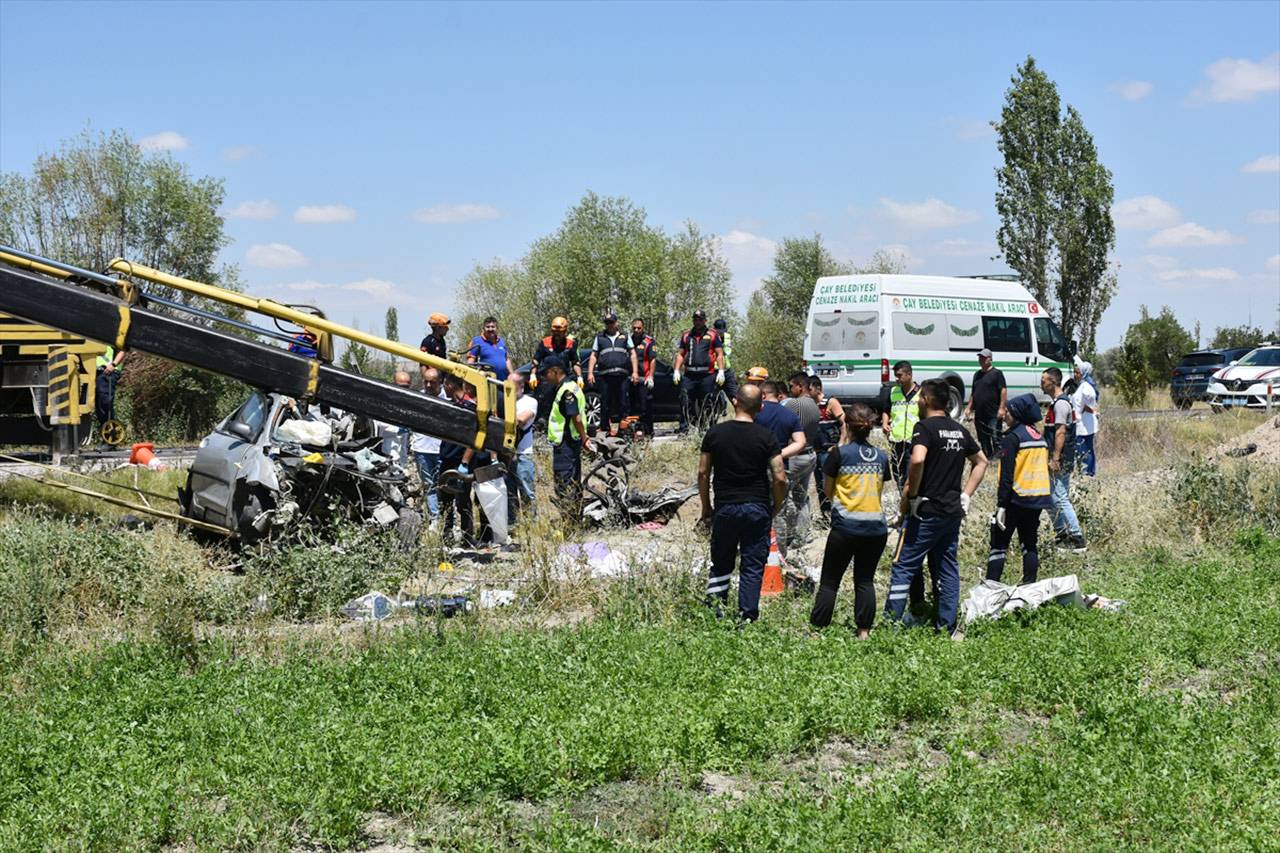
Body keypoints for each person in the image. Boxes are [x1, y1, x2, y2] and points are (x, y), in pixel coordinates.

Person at [885, 379, 988, 636]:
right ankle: (946, 625)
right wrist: (966, 494)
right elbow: (982, 462)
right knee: (947, 566)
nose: (918, 401)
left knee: (904, 565)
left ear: (927, 400)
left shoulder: (924, 427)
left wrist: (913, 496)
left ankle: (891, 625)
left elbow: (917, 460)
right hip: (951, 512)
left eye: (920, 397)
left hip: (926, 510)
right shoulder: (959, 430)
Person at [698, 384, 787, 623]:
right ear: (759, 407)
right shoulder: (766, 437)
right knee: (752, 565)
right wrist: (776, 506)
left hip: (725, 506)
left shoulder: (715, 433)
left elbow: (703, 473)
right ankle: (747, 617)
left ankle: (714, 613)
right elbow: (780, 477)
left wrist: (706, 507)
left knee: (721, 561)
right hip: (757, 507)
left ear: (735, 402)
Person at [809, 403, 891, 638]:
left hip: (846, 526)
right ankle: (864, 631)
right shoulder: (881, 456)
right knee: (865, 580)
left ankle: (818, 628)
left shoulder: (839, 454)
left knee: (830, 581)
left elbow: (827, 487)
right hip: (876, 527)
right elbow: (879, 487)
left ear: (848, 426)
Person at [985, 394, 1053, 585]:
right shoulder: (1038, 436)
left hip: (1016, 499)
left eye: (1007, 411)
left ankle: (990, 589)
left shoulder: (1013, 438)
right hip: (1037, 499)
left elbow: (1007, 476)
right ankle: (1029, 586)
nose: (1004, 415)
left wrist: (1001, 505)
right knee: (1029, 545)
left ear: (1016, 413)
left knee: (998, 545)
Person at [756, 380, 810, 560]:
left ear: (763, 395)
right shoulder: (789, 415)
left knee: (755, 508)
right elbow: (801, 442)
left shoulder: (755, 413)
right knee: (779, 512)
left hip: (754, 468)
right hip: (780, 469)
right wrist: (778, 454)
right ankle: (777, 556)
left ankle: (753, 551)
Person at [439, 372, 488, 547]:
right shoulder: (452, 406)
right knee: (445, 500)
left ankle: (467, 538)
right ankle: (446, 536)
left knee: (463, 501)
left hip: (460, 462)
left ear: (450, 385)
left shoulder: (469, 407)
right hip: (447, 459)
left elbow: (474, 440)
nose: (443, 387)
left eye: (444, 384)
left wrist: (464, 463)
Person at [1042, 367, 1087, 553]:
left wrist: (1055, 458)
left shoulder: (1061, 405)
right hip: (1059, 458)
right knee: (1052, 497)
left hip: (1060, 459)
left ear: (1053, 382)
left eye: (1044, 380)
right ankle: (1062, 535)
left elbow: (1060, 432)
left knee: (1059, 497)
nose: (1041, 383)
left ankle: (1076, 538)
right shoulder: (1057, 403)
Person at [543, 354, 593, 518]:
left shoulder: (566, 391)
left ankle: (569, 519)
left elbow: (576, 418)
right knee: (574, 480)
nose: (545, 377)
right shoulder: (572, 386)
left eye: (546, 373)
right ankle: (576, 517)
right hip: (571, 443)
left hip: (566, 444)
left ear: (555, 371)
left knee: (564, 483)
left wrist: (584, 437)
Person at [673, 309, 725, 431]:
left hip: (707, 375)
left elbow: (719, 353)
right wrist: (676, 370)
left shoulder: (712, 334)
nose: (697, 322)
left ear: (705, 320)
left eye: (700, 319)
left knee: (707, 402)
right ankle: (684, 429)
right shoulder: (686, 335)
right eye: (695, 319)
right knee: (685, 401)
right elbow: (681, 354)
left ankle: (707, 429)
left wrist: (721, 371)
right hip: (689, 375)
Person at [587, 312, 637, 435]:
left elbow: (633, 354)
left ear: (616, 323)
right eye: (607, 323)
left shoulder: (625, 336)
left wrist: (635, 372)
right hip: (605, 376)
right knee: (605, 403)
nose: (609, 325)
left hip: (622, 376)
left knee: (623, 403)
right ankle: (605, 430)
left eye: (611, 322)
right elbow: (593, 356)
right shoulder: (599, 337)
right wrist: (590, 373)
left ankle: (624, 430)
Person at [411, 367, 448, 523]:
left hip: (442, 450)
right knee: (429, 485)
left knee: (445, 486)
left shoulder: (449, 400)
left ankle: (447, 519)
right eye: (425, 382)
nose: (427, 386)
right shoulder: (417, 398)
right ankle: (435, 519)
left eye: (432, 383)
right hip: (422, 449)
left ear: (440, 382)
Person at [881, 360, 921, 489]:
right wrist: (885, 423)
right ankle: (902, 498)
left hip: (913, 441)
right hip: (896, 441)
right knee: (897, 474)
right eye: (896, 376)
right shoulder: (893, 392)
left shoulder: (921, 393)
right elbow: (886, 410)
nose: (897, 379)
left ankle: (909, 501)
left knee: (911, 475)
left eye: (899, 375)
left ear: (909, 374)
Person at [808, 376, 845, 515]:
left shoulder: (831, 402)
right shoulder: (809, 404)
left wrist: (841, 443)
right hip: (815, 450)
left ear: (817, 388)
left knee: (830, 483)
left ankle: (836, 513)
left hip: (829, 451)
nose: (807, 391)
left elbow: (843, 424)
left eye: (809, 389)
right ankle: (825, 514)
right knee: (819, 484)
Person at [506, 372, 539, 525]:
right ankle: (513, 525)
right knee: (509, 494)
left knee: (527, 492)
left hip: (523, 455)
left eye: (511, 387)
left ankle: (531, 525)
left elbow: (520, 419)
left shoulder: (530, 402)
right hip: (506, 455)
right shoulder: (504, 401)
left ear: (521, 387)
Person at [964, 348, 1007, 459]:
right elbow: (974, 393)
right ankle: (987, 457)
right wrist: (969, 407)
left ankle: (998, 458)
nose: (981, 360)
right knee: (983, 437)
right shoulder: (977, 375)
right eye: (980, 358)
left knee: (995, 436)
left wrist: (1002, 408)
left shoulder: (997, 374)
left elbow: (1003, 390)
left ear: (990, 359)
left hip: (993, 412)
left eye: (984, 358)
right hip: (980, 413)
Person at [531, 316, 581, 391]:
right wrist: (533, 375)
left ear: (565, 331)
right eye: (555, 332)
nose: (557, 335)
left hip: (565, 379)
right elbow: (535, 361)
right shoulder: (545, 343)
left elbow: (575, 362)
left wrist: (579, 377)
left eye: (559, 333)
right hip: (547, 380)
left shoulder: (571, 344)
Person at [377, 371, 415, 466]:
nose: (403, 390)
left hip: (402, 453)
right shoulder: (385, 401)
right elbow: (378, 424)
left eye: (406, 387)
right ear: (393, 384)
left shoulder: (409, 402)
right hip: (387, 451)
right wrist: (398, 429)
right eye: (401, 386)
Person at [629, 318, 656, 437]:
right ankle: (633, 433)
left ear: (643, 328)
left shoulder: (649, 341)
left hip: (644, 379)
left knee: (645, 407)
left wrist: (651, 376)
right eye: (634, 328)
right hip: (631, 379)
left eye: (639, 328)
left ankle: (649, 432)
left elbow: (653, 359)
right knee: (632, 407)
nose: (636, 330)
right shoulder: (628, 341)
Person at [1072, 360, 1099, 476]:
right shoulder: (1083, 385)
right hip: (1084, 423)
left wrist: (1083, 410)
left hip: (1083, 424)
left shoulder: (1086, 387)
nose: (1075, 375)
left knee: (1083, 451)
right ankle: (1089, 473)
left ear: (1083, 373)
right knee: (1087, 449)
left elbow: (1090, 403)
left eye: (1077, 372)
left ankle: (1086, 474)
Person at [467, 316, 515, 381]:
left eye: (493, 327)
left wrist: (512, 374)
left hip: (504, 382)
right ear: (483, 328)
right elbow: (470, 361)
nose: (490, 329)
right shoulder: (477, 341)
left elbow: (507, 359)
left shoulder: (501, 341)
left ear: (497, 328)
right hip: (488, 382)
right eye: (488, 327)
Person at [94, 344, 126, 428]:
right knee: (98, 405)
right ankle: (106, 431)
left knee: (105, 403)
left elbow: (123, 349)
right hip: (95, 372)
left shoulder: (111, 333)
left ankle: (112, 431)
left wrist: (113, 365)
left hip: (108, 372)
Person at [713, 318, 738, 400]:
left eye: (722, 331)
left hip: (726, 370)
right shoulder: (710, 337)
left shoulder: (727, 337)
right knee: (711, 397)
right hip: (713, 371)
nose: (721, 333)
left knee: (735, 396)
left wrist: (719, 343)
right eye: (718, 331)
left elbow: (727, 352)